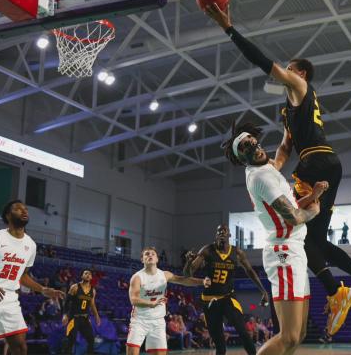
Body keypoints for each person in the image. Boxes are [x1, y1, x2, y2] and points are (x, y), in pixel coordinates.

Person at [204, 4, 351, 336]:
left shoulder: (300, 87)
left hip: (316, 161)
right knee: (314, 238)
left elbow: (262, 62)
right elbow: (286, 147)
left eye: (291, 69)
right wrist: (271, 169)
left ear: (300, 74)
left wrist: (229, 29)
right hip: (325, 164)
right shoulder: (288, 111)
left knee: (302, 236)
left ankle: (339, 292)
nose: (286, 72)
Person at [221, 122, 332, 354]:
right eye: (244, 147)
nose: (252, 146)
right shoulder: (261, 177)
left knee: (299, 334)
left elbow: (282, 152)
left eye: (251, 140)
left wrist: (289, 125)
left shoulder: (267, 167)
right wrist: (313, 210)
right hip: (283, 252)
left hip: (295, 249)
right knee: (289, 335)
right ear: (241, 158)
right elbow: (292, 217)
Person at [0, 200, 64, 355]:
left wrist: (42, 289)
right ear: (8, 216)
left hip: (10, 298)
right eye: (18, 209)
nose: (24, 211)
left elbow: (22, 276)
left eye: (25, 209)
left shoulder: (30, 245)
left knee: (20, 347)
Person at [183, 224, 269, 355]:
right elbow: (188, 274)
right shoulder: (207, 250)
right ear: (216, 235)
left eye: (224, 231)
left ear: (229, 235)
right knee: (220, 345)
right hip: (210, 300)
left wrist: (263, 291)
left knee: (243, 332)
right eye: (219, 231)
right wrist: (188, 262)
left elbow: (250, 271)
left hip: (228, 297)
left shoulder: (237, 252)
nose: (222, 233)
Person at [126, 247, 210, 355]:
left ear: (157, 259)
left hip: (158, 322)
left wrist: (202, 281)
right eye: (147, 254)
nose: (150, 255)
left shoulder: (164, 274)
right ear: (142, 259)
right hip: (140, 321)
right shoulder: (137, 277)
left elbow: (183, 280)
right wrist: (151, 304)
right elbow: (134, 299)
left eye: (153, 254)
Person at [62, 269, 101, 355]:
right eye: (85, 273)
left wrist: (97, 316)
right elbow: (67, 302)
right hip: (74, 318)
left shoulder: (93, 291)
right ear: (82, 276)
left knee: (91, 339)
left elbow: (92, 305)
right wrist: (65, 315)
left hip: (85, 319)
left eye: (89, 274)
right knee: (71, 340)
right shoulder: (75, 287)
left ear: (91, 277)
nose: (87, 275)